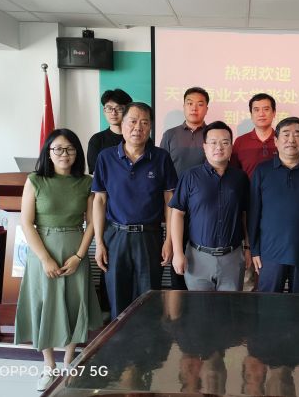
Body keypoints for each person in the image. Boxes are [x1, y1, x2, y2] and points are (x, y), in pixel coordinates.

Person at [14, 128, 102, 392]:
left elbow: (92, 223)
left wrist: (79, 256)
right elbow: (26, 223)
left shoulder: (86, 182)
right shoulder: (35, 180)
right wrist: (45, 258)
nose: (65, 154)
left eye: (70, 149)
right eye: (58, 149)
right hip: (43, 251)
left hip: (75, 251)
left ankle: (68, 362)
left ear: (77, 153)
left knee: (76, 304)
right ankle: (49, 366)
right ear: (48, 152)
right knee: (44, 304)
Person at [92, 102, 177, 320]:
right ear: (122, 125)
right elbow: (99, 200)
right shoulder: (106, 157)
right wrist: (99, 242)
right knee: (117, 299)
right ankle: (119, 341)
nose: (138, 127)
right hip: (116, 237)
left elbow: (169, 201)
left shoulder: (161, 157)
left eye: (144, 122)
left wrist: (169, 241)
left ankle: (148, 342)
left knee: (149, 300)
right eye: (132, 121)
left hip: (150, 237)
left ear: (150, 128)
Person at [248, 117, 299, 294]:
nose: (291, 139)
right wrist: (254, 250)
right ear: (276, 141)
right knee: (268, 304)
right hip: (270, 254)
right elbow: (254, 214)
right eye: (286, 134)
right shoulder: (262, 171)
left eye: (297, 134)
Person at [170, 121, 251, 291]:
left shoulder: (240, 178)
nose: (219, 147)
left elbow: (245, 214)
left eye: (225, 142)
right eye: (213, 142)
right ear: (205, 147)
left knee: (231, 307)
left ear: (231, 147)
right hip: (197, 257)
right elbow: (177, 214)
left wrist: (248, 247)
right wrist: (177, 252)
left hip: (232, 258)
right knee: (199, 307)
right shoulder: (190, 176)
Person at [160, 86, 210, 290]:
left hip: (205, 208)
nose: (194, 108)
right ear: (183, 106)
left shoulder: (212, 135)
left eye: (200, 104)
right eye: (190, 103)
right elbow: (162, 171)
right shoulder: (170, 135)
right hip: (176, 207)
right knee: (177, 257)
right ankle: (179, 300)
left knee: (202, 258)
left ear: (206, 108)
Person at [231, 93, 278, 291]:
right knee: (249, 269)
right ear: (251, 114)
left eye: (266, 109)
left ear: (274, 113)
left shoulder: (283, 140)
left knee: (272, 269)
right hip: (248, 211)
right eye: (256, 110)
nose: (261, 113)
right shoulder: (240, 142)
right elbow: (233, 176)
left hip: (276, 213)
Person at [87, 89, 133, 174]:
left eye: (119, 108)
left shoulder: (137, 137)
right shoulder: (97, 140)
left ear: (128, 111)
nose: (113, 113)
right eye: (109, 108)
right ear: (104, 111)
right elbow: (95, 173)